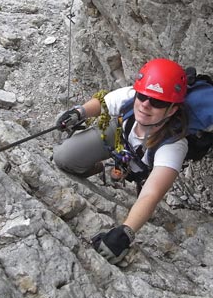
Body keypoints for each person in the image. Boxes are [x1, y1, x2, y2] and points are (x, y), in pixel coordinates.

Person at [53, 58, 189, 264]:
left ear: (172, 110)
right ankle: (100, 168)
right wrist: (78, 113)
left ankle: (115, 169)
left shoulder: (174, 145)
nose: (145, 105)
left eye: (158, 102)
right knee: (65, 158)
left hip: (142, 156)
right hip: (119, 133)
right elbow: (102, 103)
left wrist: (126, 233)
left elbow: (151, 194)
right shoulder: (130, 99)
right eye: (142, 96)